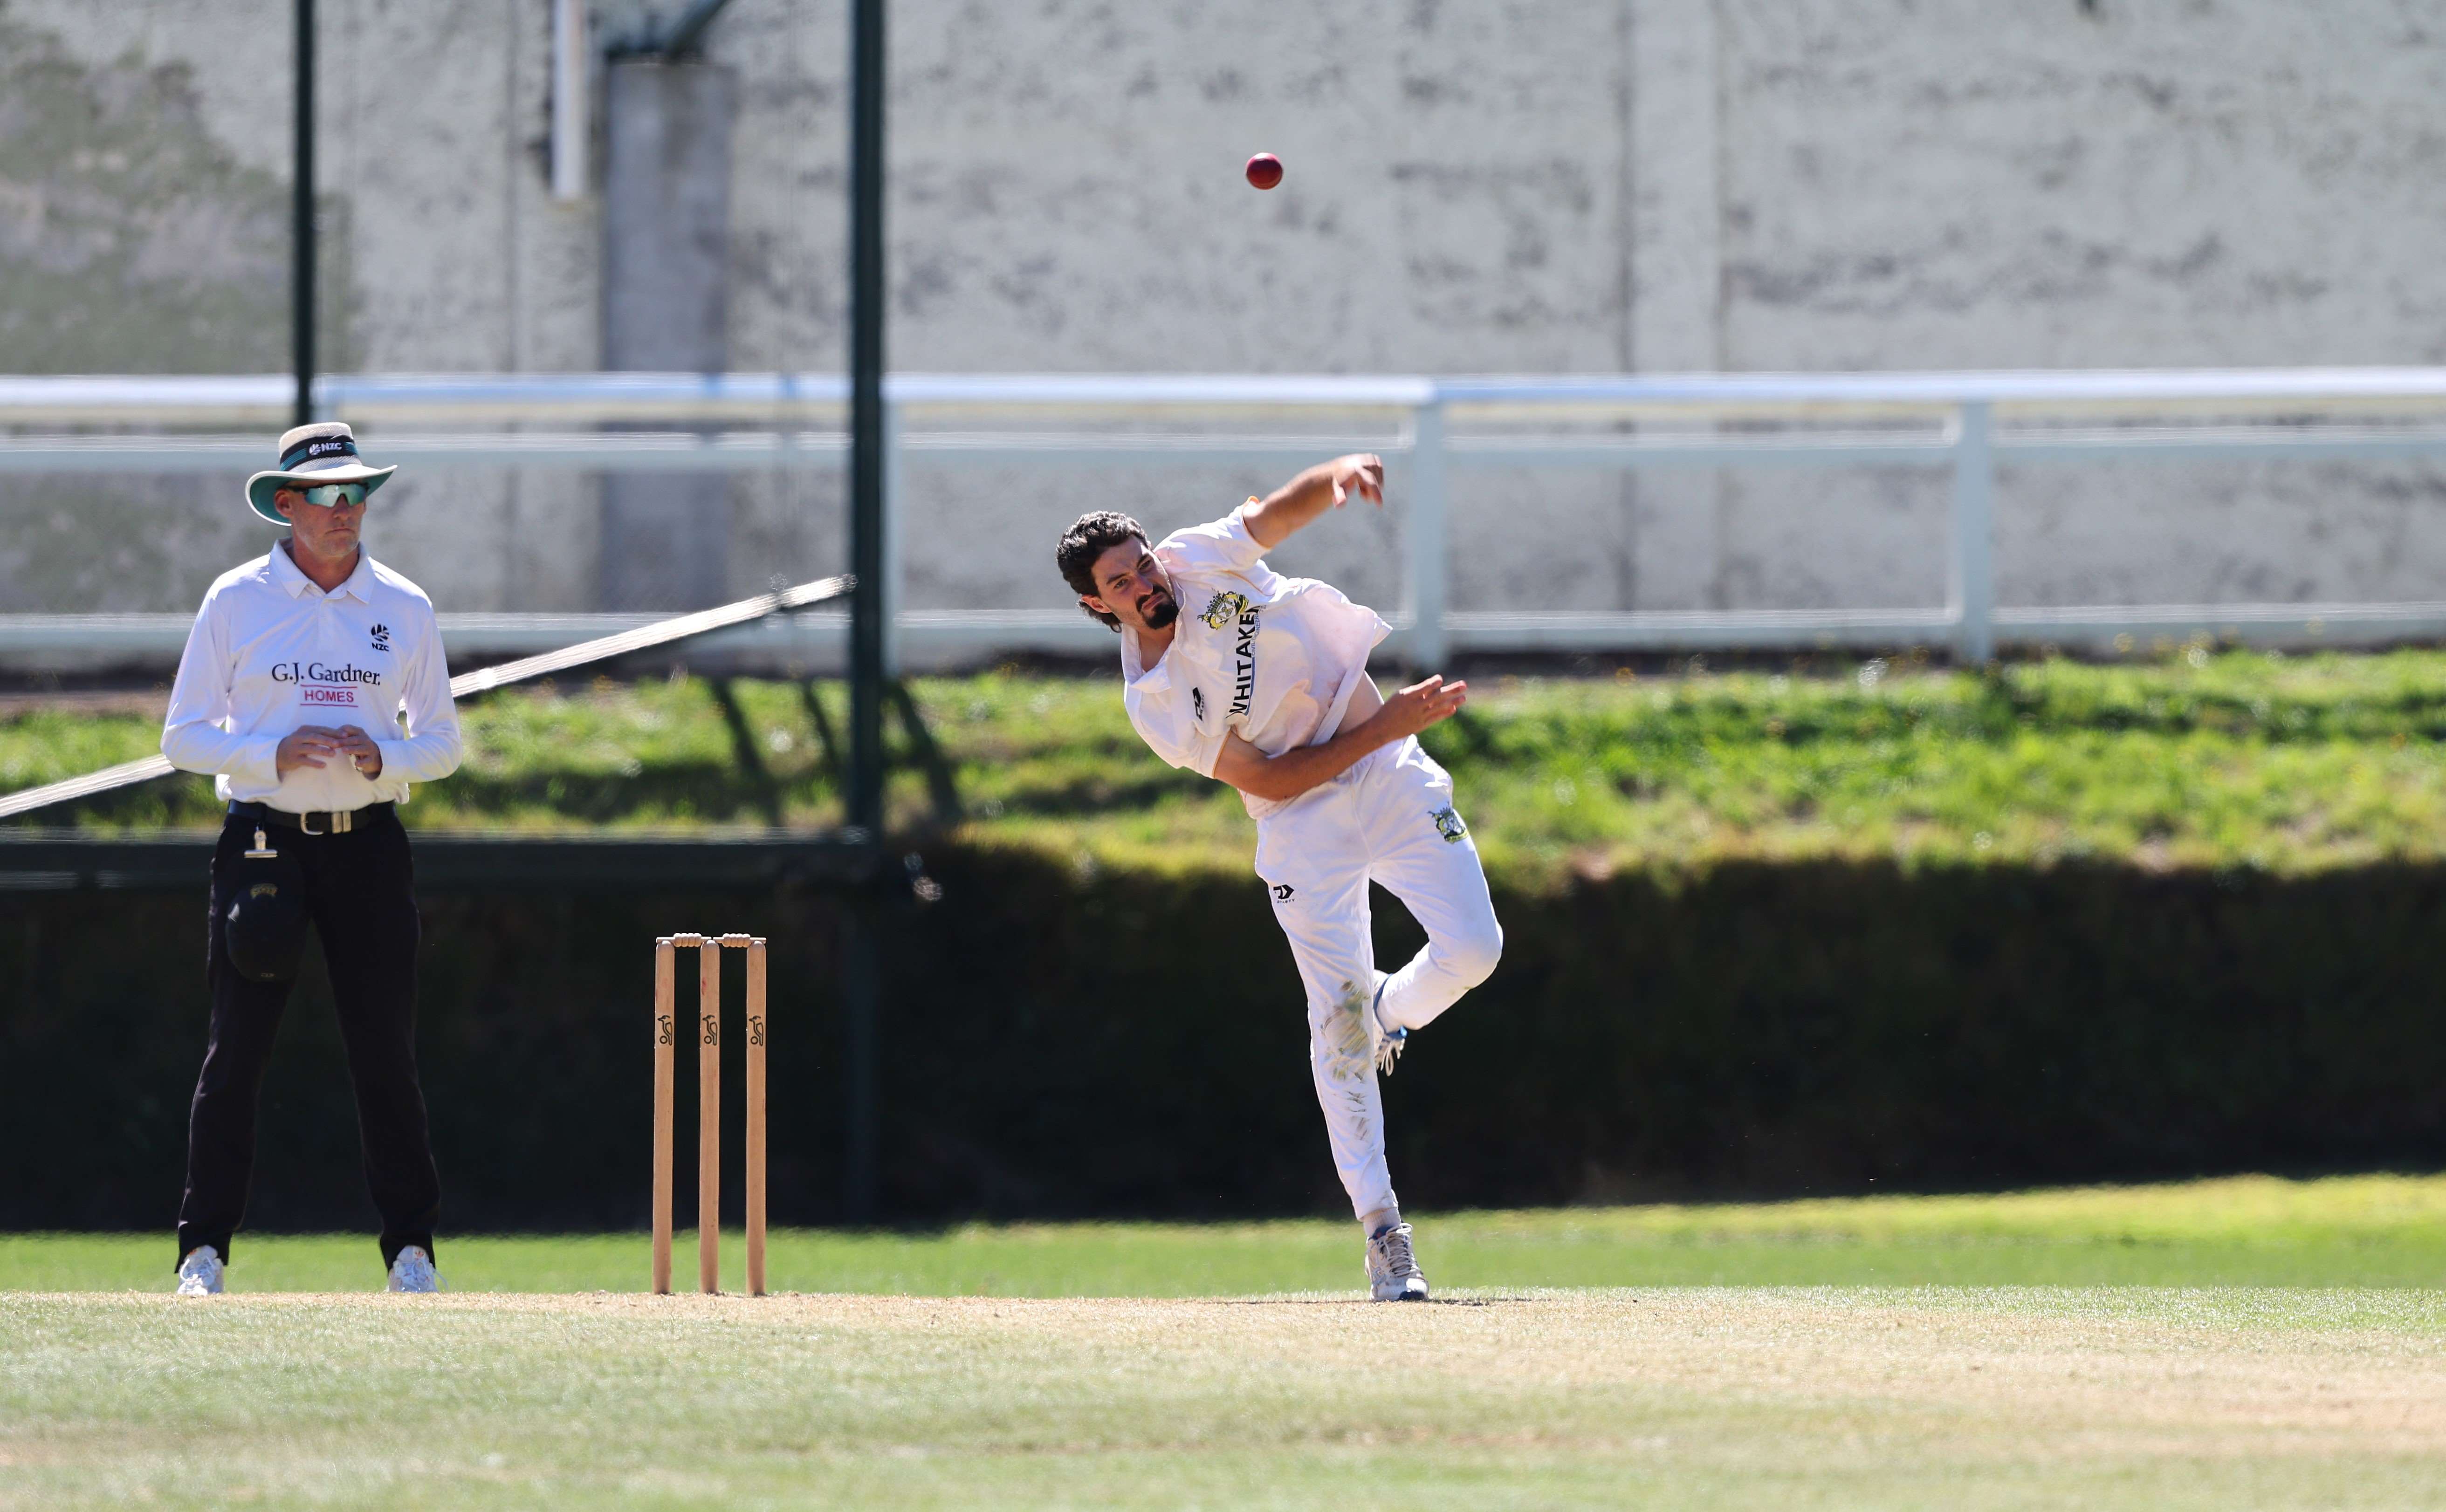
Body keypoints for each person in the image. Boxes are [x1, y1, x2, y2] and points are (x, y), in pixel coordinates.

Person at [1055, 456, 1502, 1301]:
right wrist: (1394, 721)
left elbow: (1276, 515)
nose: (1147, 581)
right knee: (1333, 1028)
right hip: (1302, 822)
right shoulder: (1154, 700)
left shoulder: (1196, 558)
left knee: (1476, 949)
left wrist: (1335, 474)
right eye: (1122, 581)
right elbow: (1272, 782)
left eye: (1143, 561)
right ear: (1097, 605)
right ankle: (1385, 1235)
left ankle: (1390, 1010)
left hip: (1388, 771)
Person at [160, 422, 463, 1296]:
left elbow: (441, 743)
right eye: (327, 496)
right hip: (262, 842)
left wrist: (382, 761)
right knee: (236, 1051)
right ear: (285, 505)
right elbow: (181, 737)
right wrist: (271, 752)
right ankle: (202, 1251)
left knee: (385, 1053)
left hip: (367, 846)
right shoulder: (235, 599)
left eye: (357, 493)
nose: (345, 512)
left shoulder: (404, 605)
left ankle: (412, 1251)